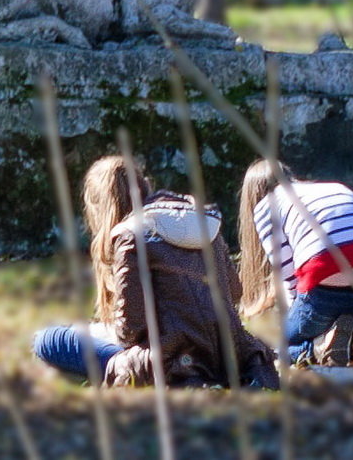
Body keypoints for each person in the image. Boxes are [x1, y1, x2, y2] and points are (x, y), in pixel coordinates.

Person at [33, 156, 278, 389]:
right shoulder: (202, 221)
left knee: (48, 340)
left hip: (172, 364)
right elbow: (235, 291)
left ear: (101, 207)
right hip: (228, 354)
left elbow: (130, 331)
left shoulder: (129, 235)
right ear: (145, 186)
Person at [237, 159, 353, 367]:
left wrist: (295, 322)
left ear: (253, 194)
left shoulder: (265, 207)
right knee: (349, 322)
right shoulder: (336, 187)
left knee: (284, 346)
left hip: (326, 294)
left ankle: (319, 346)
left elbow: (290, 279)